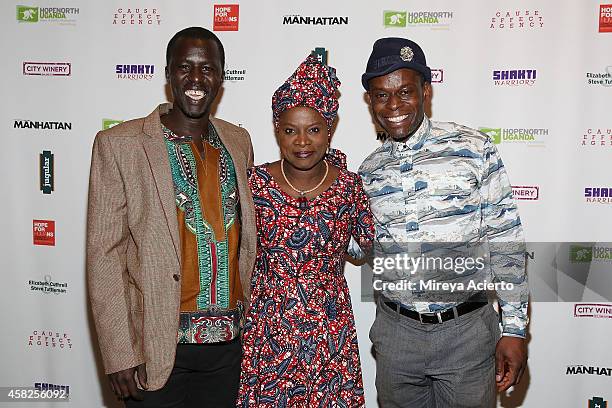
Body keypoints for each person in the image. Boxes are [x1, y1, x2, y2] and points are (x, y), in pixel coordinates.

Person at [86, 27, 256, 407]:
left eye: (207, 69)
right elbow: (104, 257)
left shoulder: (238, 141)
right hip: (156, 350)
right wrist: (119, 353)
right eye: (185, 67)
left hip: (230, 349)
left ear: (222, 76)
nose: (196, 79)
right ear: (167, 75)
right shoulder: (120, 145)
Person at [359, 37, 529, 407]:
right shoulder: (367, 172)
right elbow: (361, 246)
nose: (394, 105)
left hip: (467, 334)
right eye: (381, 95)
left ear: (426, 91)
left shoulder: (473, 148)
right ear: (370, 100)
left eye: (405, 91)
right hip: (396, 334)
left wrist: (515, 329)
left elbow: (505, 239)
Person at [236, 55, 374, 407]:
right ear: (276, 131)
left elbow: (372, 247)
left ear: (329, 130)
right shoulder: (253, 184)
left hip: (329, 331)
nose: (302, 141)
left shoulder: (349, 186)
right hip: (267, 328)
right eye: (289, 130)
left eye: (313, 129)